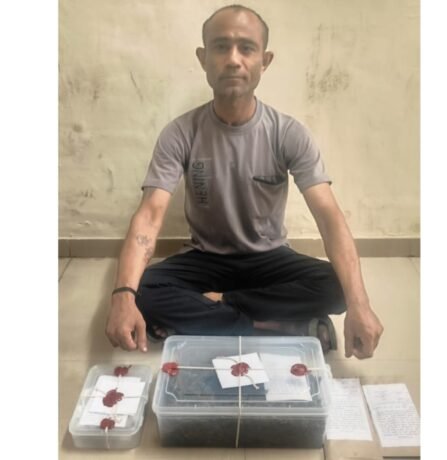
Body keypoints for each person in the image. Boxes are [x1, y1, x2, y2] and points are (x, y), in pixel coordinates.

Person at [105, 4, 383, 359]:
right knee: (140, 290)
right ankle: (274, 327)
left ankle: (213, 314)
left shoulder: (288, 133)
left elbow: (329, 216)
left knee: (338, 287)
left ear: (264, 61)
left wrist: (360, 304)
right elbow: (149, 214)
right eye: (221, 47)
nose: (233, 59)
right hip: (205, 259)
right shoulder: (180, 133)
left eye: (246, 48)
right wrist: (123, 296)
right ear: (203, 58)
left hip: (268, 259)